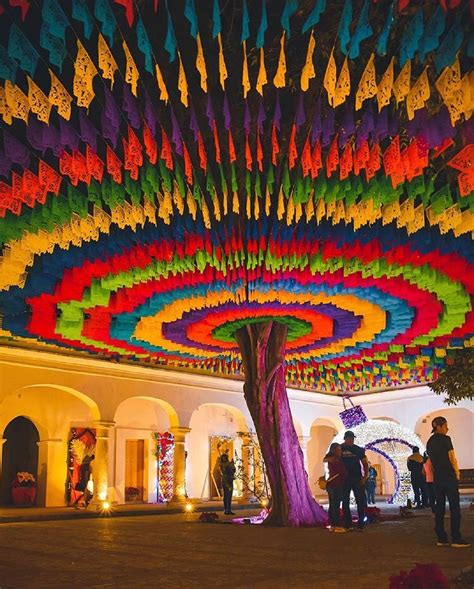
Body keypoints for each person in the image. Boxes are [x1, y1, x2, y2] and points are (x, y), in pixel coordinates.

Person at [426, 416, 470, 548]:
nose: (447, 428)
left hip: (438, 477)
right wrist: (456, 473)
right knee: (454, 507)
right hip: (448, 476)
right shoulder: (446, 439)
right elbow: (452, 458)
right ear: (439, 426)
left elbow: (431, 463)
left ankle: (441, 537)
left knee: (439, 507)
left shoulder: (429, 442)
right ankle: (456, 537)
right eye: (445, 426)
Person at [341, 431, 368, 531]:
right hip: (344, 479)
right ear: (345, 438)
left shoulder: (358, 449)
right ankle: (347, 522)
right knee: (345, 501)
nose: (351, 440)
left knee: (360, 501)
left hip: (357, 478)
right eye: (349, 438)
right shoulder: (339, 449)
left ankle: (361, 523)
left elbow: (365, 463)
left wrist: (365, 476)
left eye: (352, 438)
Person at [323, 442, 347, 532]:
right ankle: (335, 523)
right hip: (334, 484)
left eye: (340, 449)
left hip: (337, 483)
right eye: (338, 450)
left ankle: (333, 522)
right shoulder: (334, 459)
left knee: (333, 504)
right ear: (333, 450)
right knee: (335, 504)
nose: (339, 451)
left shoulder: (337, 458)